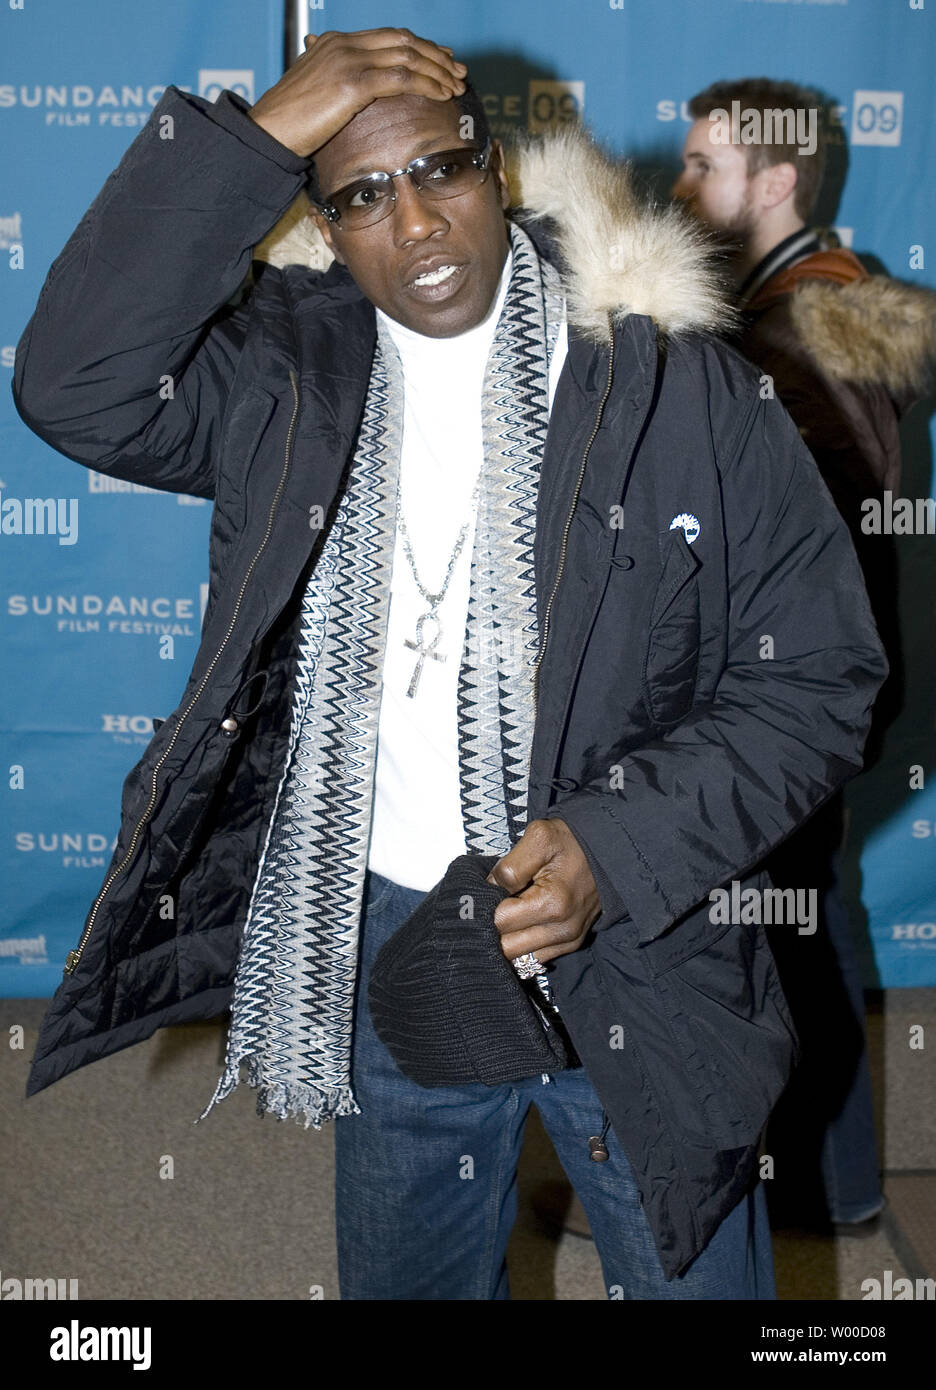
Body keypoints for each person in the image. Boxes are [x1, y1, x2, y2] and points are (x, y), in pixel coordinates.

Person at [14, 30, 888, 1300]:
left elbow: (818, 675)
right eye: (359, 194)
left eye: (441, 170)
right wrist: (254, 136)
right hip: (390, 939)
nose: (414, 223)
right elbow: (73, 384)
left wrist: (616, 846)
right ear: (317, 215)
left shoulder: (671, 382)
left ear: (500, 170)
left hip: (643, 953)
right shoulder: (286, 382)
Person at [672, 76, 936, 1234]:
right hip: (813, 689)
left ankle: (771, 1197)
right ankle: (837, 1190)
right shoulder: (813, 305)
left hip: (787, 694)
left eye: (704, 167)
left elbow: (785, 539)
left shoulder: (802, 330)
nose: (679, 186)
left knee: (777, 940)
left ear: (775, 183)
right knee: (800, 924)